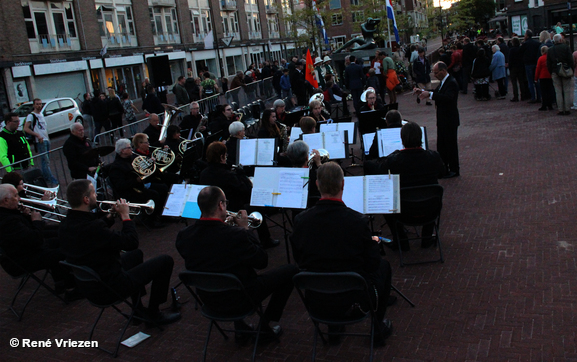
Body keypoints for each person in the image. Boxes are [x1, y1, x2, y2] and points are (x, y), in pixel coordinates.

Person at [176, 186, 297, 342]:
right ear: (220, 205)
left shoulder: (183, 236)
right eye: (225, 203)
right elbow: (262, 261)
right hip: (242, 299)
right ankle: (264, 327)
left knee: (227, 270)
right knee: (290, 271)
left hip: (209, 300)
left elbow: (210, 254)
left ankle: (241, 328)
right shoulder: (236, 235)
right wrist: (246, 230)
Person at [290, 162, 393, 345]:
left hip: (317, 299)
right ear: (343, 185)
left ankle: (333, 330)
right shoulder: (357, 221)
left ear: (317, 185)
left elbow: (300, 258)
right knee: (384, 267)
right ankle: (377, 329)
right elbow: (372, 264)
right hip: (353, 297)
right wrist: (373, 245)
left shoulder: (301, 220)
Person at [60, 179, 180, 324]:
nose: (96, 196)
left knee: (135, 256)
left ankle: (137, 310)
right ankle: (154, 314)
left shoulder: (66, 225)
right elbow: (131, 242)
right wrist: (125, 217)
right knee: (165, 261)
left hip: (91, 283)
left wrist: (110, 217)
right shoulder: (93, 229)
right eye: (93, 193)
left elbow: (94, 231)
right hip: (110, 285)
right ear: (86, 199)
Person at [0, 184, 80, 301]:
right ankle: (71, 288)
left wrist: (26, 216)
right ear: (6, 200)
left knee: (61, 240)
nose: (19, 198)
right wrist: (36, 221)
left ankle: (61, 282)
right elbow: (35, 239)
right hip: (23, 259)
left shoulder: (8, 214)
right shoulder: (7, 221)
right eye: (16, 196)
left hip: (26, 251)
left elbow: (27, 234)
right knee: (65, 250)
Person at [379, 122, 446, 250]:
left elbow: (381, 173)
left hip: (403, 211)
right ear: (420, 138)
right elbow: (442, 174)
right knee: (433, 193)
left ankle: (401, 240)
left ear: (402, 139)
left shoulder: (394, 160)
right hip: (430, 209)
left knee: (385, 203)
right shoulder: (433, 157)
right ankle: (426, 238)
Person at [199, 142, 278, 248]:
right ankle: (265, 239)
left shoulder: (204, 173)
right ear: (222, 156)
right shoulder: (228, 175)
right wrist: (242, 175)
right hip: (233, 208)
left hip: (211, 208)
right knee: (255, 206)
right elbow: (247, 191)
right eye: (225, 155)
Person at [108, 138, 168, 228]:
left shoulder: (132, 158)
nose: (132, 149)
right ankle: (150, 220)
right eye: (129, 148)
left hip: (139, 186)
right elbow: (120, 185)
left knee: (163, 188)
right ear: (122, 151)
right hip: (130, 192)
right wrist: (136, 181)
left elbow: (142, 169)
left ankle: (159, 214)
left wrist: (150, 163)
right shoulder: (116, 167)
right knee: (154, 194)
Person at [415, 62, 460, 178]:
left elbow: (448, 98)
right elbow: (438, 93)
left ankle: (454, 169)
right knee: (442, 145)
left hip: (449, 120)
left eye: (436, 72)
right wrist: (425, 92)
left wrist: (429, 95)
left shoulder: (451, 83)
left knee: (450, 145)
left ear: (443, 71)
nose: (434, 75)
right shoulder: (444, 82)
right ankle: (444, 167)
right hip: (443, 119)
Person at [23, 99, 58, 185]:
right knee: (45, 161)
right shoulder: (31, 116)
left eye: (40, 104)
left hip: (46, 139)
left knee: (47, 161)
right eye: (37, 104)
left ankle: (47, 176)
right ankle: (49, 178)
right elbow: (26, 128)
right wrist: (37, 135)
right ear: (34, 105)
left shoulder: (41, 114)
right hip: (40, 141)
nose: (39, 106)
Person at [547, 33, 575, 115]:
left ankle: (560, 108)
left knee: (558, 91)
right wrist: (571, 69)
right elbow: (571, 60)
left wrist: (551, 71)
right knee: (566, 90)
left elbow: (548, 63)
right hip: (565, 70)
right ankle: (567, 108)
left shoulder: (550, 50)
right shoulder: (566, 48)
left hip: (555, 71)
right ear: (560, 40)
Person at [519, 29, 541, 103]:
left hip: (528, 64)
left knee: (530, 81)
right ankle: (539, 96)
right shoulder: (536, 43)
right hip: (535, 62)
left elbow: (521, 52)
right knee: (537, 80)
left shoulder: (525, 44)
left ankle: (533, 97)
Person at [508, 37, 529, 102]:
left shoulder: (511, 50)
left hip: (514, 67)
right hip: (520, 66)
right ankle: (523, 95)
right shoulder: (521, 49)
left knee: (514, 83)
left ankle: (516, 96)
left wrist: (510, 67)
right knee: (521, 81)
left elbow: (510, 59)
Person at [535, 46, 554, 112]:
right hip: (550, 76)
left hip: (542, 76)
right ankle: (550, 105)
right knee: (550, 91)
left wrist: (536, 78)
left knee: (543, 92)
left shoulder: (540, 58)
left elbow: (538, 68)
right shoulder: (550, 58)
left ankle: (544, 105)